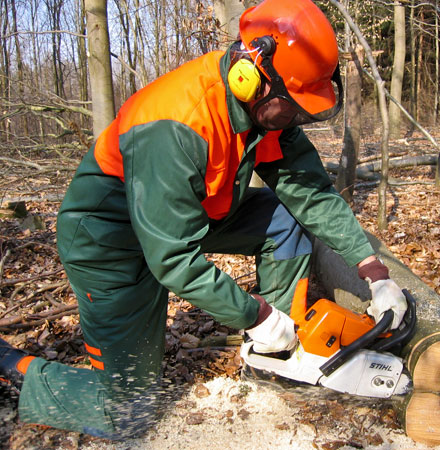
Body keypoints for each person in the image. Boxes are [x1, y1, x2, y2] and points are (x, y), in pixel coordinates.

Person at [0, 0, 407, 439]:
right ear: (250, 76)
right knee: (127, 411)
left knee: (283, 219)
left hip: (188, 216)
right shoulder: (175, 122)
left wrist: (373, 270)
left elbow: (308, 191)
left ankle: (278, 361)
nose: (291, 120)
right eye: (289, 108)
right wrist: (254, 314)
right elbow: (172, 257)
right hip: (109, 241)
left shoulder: (266, 111)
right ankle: (11, 370)